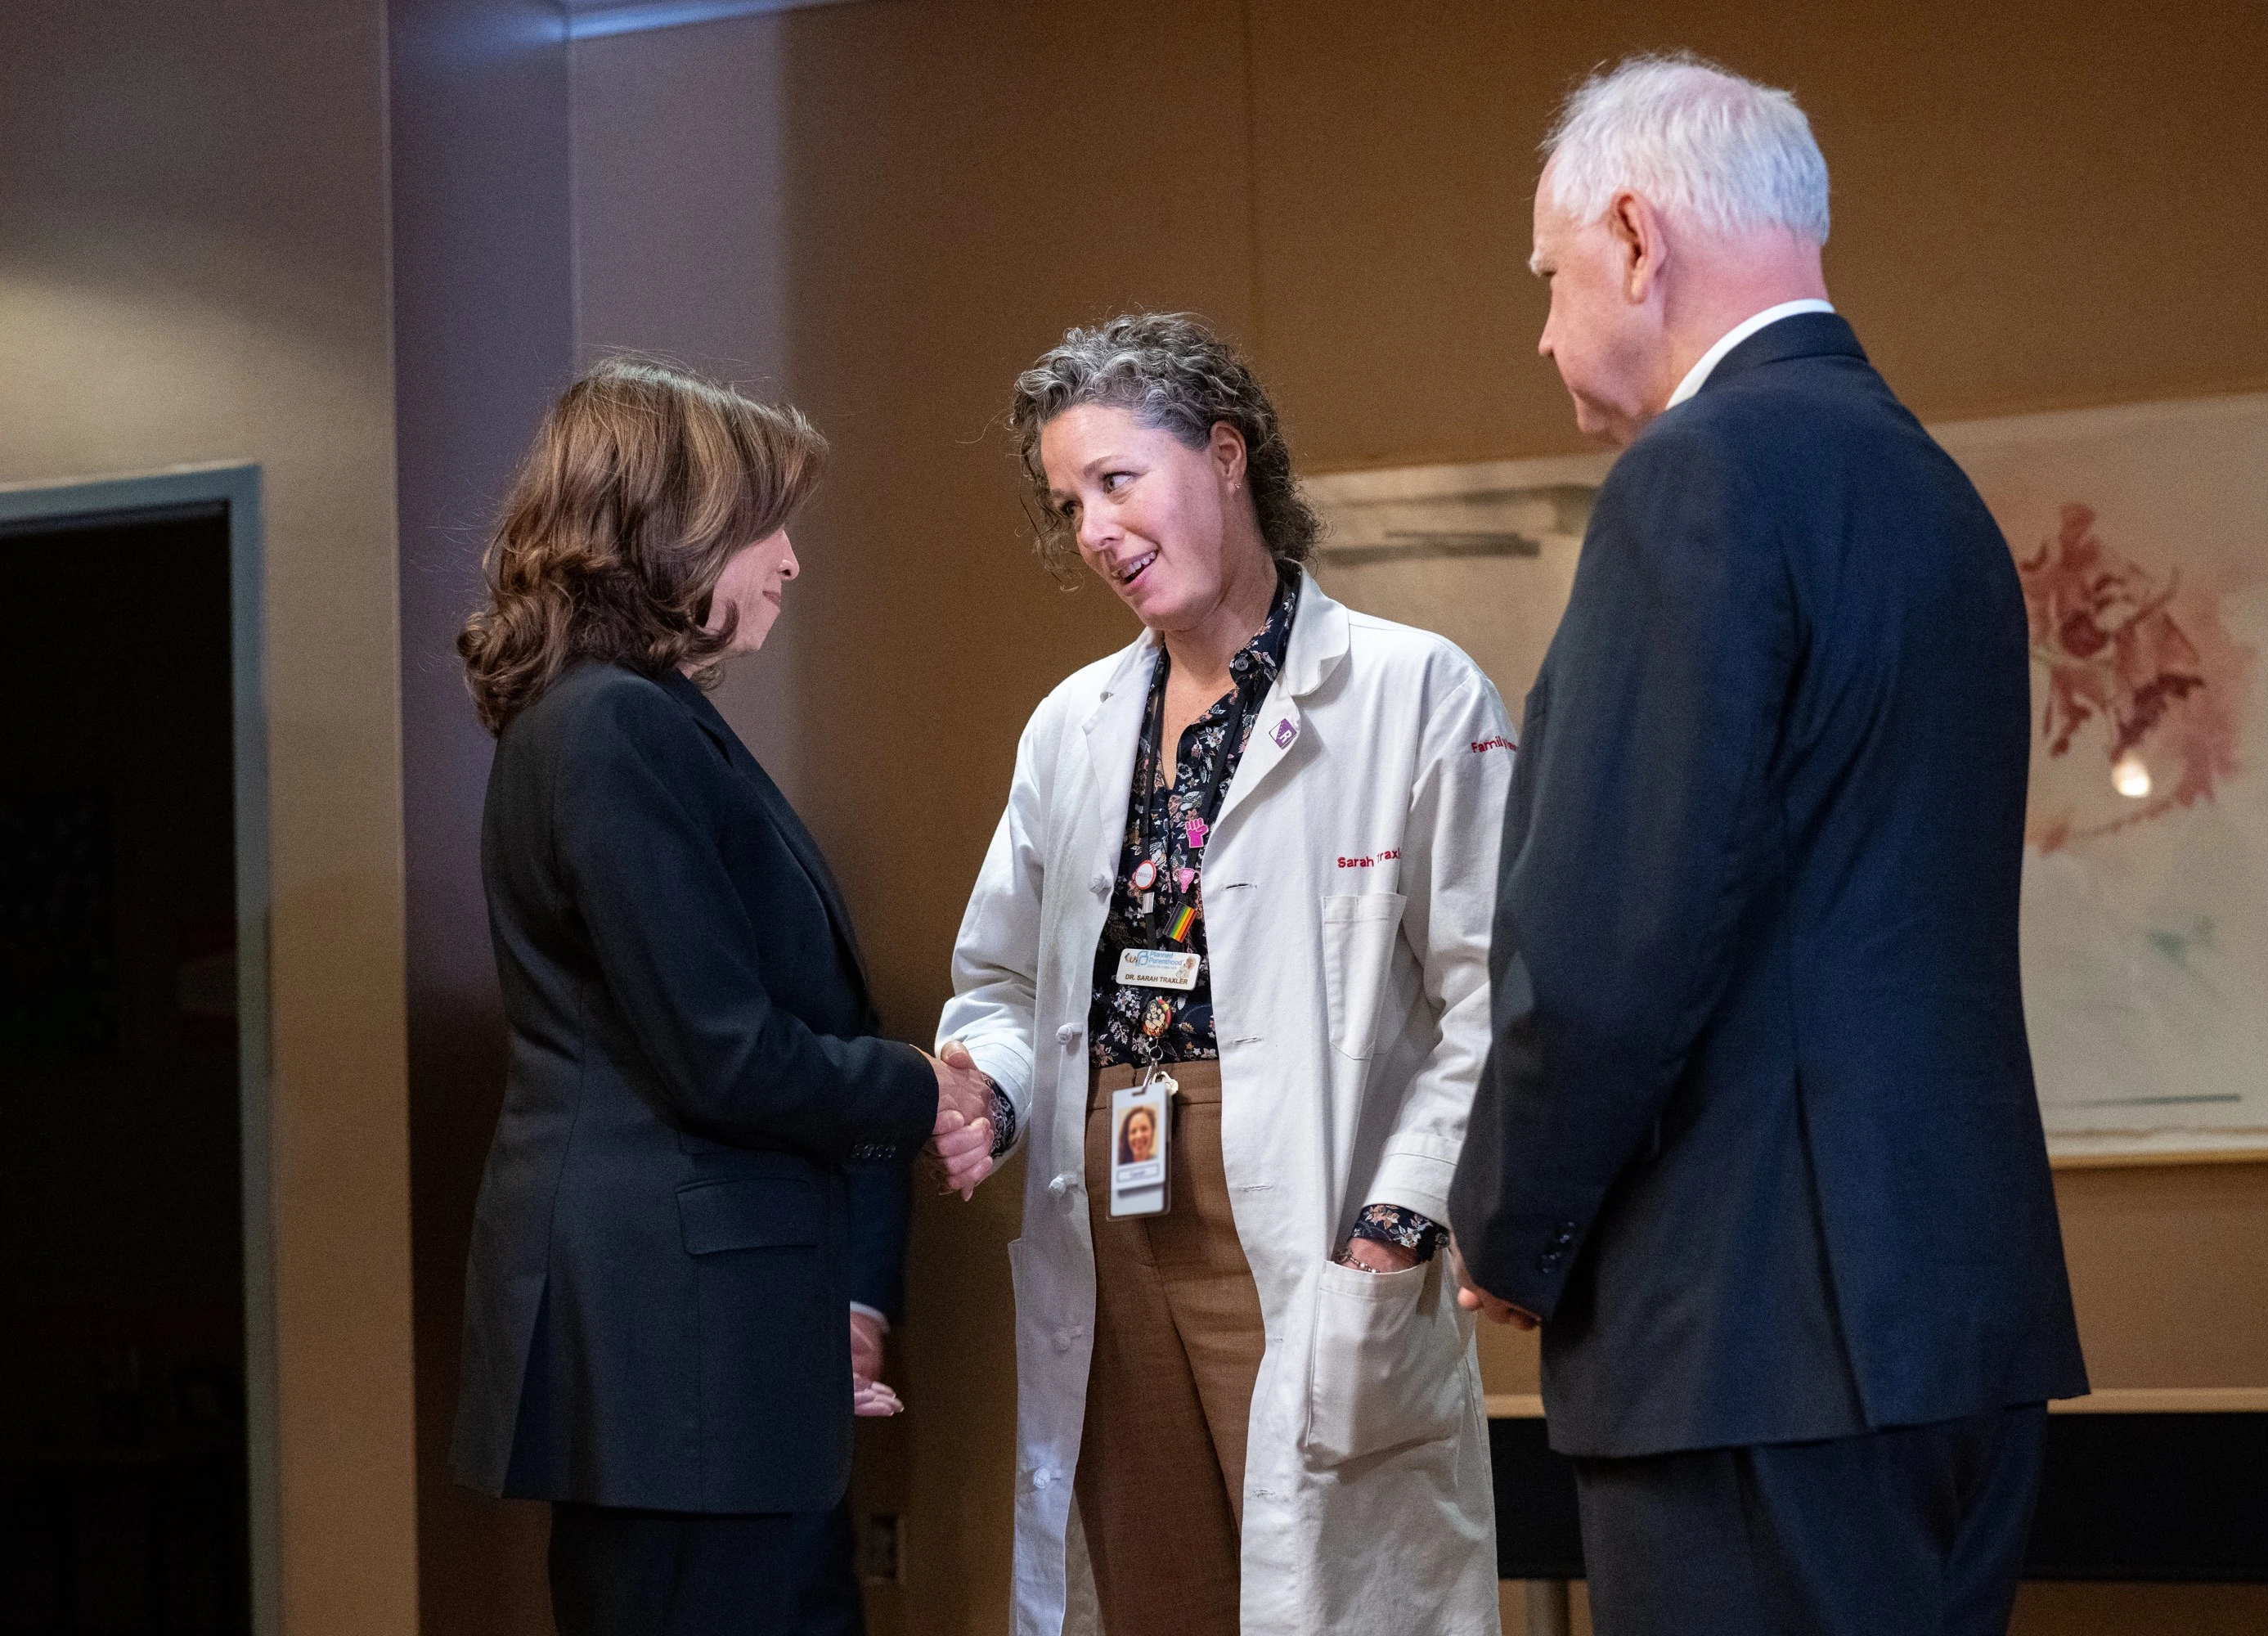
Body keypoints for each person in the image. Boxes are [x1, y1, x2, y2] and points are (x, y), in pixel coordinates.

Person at [1448, 55, 2089, 1636]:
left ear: (1633, 237)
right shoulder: (1931, 493)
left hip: (1747, 1332)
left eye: (1547, 278)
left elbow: (1611, 937)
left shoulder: (1699, 476)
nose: (1542, 331)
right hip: (1953, 1322)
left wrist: (1515, 1232)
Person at [931, 313, 1512, 1636]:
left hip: (1311, 1218)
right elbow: (1006, 986)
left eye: (1117, 480)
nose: (1091, 529)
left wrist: (1401, 1219)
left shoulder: (1417, 693)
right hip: (1114, 1215)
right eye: (1068, 499)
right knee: (1155, 1594)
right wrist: (993, 1095)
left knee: (1332, 1592)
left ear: (1229, 454)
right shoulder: (1072, 725)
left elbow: (1491, 996)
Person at [448, 359, 993, 1636]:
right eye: (765, 525)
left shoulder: (626, 719)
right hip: (672, 1350)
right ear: (666, 532)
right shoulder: (612, 728)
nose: (791, 562)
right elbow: (721, 1054)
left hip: (701, 1341)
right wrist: (923, 1086)